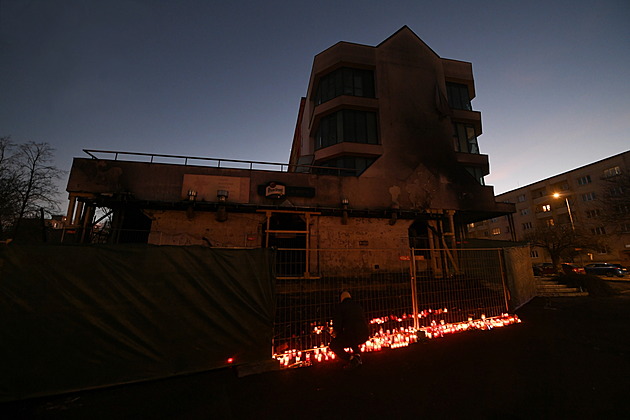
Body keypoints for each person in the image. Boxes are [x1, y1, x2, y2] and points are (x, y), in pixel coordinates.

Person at [329, 291, 370, 370]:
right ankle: (358, 355)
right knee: (351, 336)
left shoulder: (340, 307)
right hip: (364, 334)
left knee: (334, 345)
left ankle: (352, 359)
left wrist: (336, 334)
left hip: (352, 335)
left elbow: (338, 325)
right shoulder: (358, 306)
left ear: (341, 299)